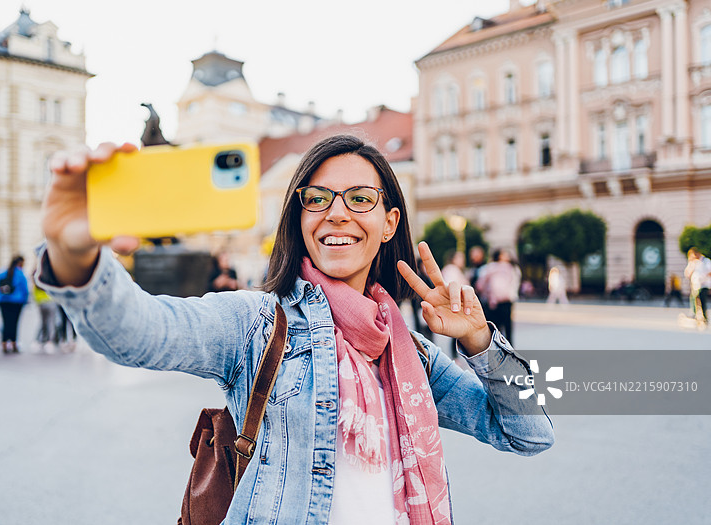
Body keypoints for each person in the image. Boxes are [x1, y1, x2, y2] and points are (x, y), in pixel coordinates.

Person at [37, 135, 553, 524]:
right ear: (299, 217)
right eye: (318, 198)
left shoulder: (410, 354)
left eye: (360, 199)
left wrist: (480, 341)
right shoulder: (258, 324)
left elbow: (529, 433)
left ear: (390, 223)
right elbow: (139, 333)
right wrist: (74, 255)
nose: (337, 214)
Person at [475, 249, 522, 345]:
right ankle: (500, 346)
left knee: (505, 327)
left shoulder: (511, 268)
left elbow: (515, 283)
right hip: (494, 301)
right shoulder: (492, 267)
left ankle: (506, 347)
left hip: (504, 300)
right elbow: (482, 283)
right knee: (497, 327)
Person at [0, 255, 29, 353]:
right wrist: (25, 299)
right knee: (14, 323)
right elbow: (25, 288)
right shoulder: (20, 273)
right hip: (17, 301)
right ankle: (13, 343)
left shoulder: (2, 272)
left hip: (4, 300)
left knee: (6, 322)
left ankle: (4, 343)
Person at [440, 250, 468, 359]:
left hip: (457, 303)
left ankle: (456, 355)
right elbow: (452, 285)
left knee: (458, 332)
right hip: (455, 303)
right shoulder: (451, 269)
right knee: (456, 332)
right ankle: (455, 356)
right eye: (460, 257)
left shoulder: (454, 270)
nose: (462, 260)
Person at [684, 248, 711, 328]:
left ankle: (704, 317)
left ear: (697, 254)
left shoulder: (706, 261)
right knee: (693, 299)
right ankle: (695, 314)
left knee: (702, 301)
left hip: (704, 285)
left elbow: (710, 272)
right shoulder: (694, 263)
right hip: (695, 285)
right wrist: (691, 263)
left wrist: (703, 278)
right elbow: (687, 273)